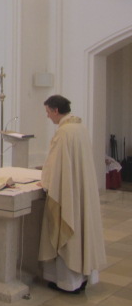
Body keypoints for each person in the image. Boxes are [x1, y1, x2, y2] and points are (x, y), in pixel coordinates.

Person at [38, 95, 106, 294]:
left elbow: (55, 165)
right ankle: (80, 279)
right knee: (81, 231)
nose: (48, 116)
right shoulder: (80, 128)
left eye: (48, 112)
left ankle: (67, 283)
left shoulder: (64, 133)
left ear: (56, 110)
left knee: (67, 233)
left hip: (67, 192)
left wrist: (46, 182)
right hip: (80, 190)